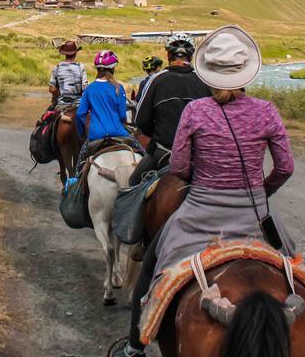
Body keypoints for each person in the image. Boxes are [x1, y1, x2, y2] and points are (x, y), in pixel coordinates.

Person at [123, 25, 295, 357]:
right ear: (246, 73)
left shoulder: (196, 112)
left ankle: (134, 346)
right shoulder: (267, 112)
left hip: (199, 211)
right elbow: (285, 168)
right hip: (255, 212)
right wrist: (261, 192)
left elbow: (179, 168)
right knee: (290, 263)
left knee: (150, 267)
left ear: (209, 75)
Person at [128, 34, 209, 185]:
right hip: (198, 153)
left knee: (132, 183)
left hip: (163, 151)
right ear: (191, 56)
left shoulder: (156, 80)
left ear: (168, 54)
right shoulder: (204, 81)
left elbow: (140, 120)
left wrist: (156, 134)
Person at [75, 50, 133, 163]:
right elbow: (122, 115)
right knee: (140, 150)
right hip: (118, 132)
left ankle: (76, 179)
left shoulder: (89, 89)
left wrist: (82, 133)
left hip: (96, 134)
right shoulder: (118, 88)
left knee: (80, 161)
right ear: (113, 69)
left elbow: (80, 114)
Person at [48, 40, 87, 110]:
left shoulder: (57, 67)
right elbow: (85, 88)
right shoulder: (81, 67)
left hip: (61, 104)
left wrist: (59, 94)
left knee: (46, 119)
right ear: (75, 53)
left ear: (64, 54)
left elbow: (52, 89)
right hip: (78, 105)